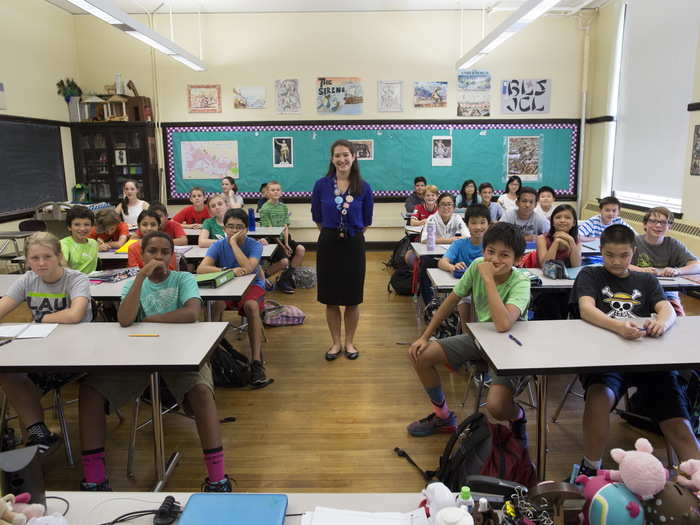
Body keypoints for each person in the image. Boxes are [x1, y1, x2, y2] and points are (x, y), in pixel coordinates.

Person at [79, 231, 233, 492]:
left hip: (183, 354)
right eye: (152, 252)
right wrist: (140, 277)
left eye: (164, 252)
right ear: (142, 254)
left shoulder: (183, 278)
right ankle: (94, 478)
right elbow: (125, 319)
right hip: (139, 356)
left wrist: (148, 320)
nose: (159, 257)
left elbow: (192, 313)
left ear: (172, 256)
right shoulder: (133, 283)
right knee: (90, 390)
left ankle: (218, 478)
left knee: (202, 392)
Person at [570, 224, 700, 477]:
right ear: (601, 251)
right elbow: (586, 309)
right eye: (609, 255)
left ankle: (696, 478)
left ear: (634, 252)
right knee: (599, 398)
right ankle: (590, 468)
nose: (617, 262)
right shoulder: (590, 275)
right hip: (605, 359)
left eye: (624, 255)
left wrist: (661, 323)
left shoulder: (646, 279)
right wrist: (618, 327)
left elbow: (667, 309)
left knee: (678, 419)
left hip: (649, 361)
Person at [406, 223, 531, 444]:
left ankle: (519, 417)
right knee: (420, 355)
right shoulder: (477, 265)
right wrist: (425, 336)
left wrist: (488, 280)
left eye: (504, 255)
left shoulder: (521, 281)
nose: (494, 260)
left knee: (496, 407)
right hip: (480, 339)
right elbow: (451, 301)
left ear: (518, 260)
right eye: (490, 252)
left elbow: (502, 325)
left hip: (510, 348)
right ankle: (443, 416)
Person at [0, 232, 91, 456]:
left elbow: (75, 315)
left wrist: (40, 319)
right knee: (6, 372)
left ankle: (34, 437)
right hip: (39, 351)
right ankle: (39, 433)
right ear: (27, 259)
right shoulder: (27, 279)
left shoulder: (76, 279)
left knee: (21, 380)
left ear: (59, 256)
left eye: (47, 257)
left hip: (75, 354)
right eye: (34, 258)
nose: (41, 263)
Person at [311, 139, 373, 361]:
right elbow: (317, 216)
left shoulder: (364, 187)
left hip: (354, 244)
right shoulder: (321, 185)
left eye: (346, 155)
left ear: (353, 157)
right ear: (332, 158)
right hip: (328, 243)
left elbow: (366, 220)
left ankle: (350, 342)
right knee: (331, 297)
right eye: (337, 155)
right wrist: (333, 230)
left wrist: (349, 232)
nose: (342, 159)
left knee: (352, 298)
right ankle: (336, 342)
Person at [197, 209, 271, 388]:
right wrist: (226, 271)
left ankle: (256, 362)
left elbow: (247, 268)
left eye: (239, 227)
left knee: (252, 306)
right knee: (216, 304)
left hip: (252, 285)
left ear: (246, 229)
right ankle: (215, 354)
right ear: (224, 226)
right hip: (227, 284)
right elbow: (201, 269)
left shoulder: (254, 245)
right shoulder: (218, 245)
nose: (234, 230)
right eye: (230, 226)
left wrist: (234, 244)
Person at [629, 206, 700, 316]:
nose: (658, 225)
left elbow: (696, 265)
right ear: (645, 224)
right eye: (653, 221)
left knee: (678, 318)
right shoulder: (633, 242)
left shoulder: (673, 244)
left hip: (666, 293)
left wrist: (678, 271)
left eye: (663, 222)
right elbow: (619, 264)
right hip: (637, 290)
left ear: (669, 226)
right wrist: (640, 270)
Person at [438, 204, 490, 325]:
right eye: (473, 223)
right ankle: (466, 335)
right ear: (467, 225)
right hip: (465, 290)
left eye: (482, 222)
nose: (478, 227)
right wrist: (452, 267)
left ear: (489, 224)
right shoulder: (459, 244)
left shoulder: (493, 245)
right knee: (464, 302)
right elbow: (442, 262)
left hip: (488, 289)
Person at [259, 181, 305, 294]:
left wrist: (287, 243)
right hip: (272, 239)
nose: (275, 192)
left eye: (278, 190)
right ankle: (260, 278)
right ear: (268, 193)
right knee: (284, 261)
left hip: (284, 238)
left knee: (301, 250)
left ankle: (284, 279)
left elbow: (285, 226)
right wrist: (283, 247)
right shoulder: (264, 209)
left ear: (281, 192)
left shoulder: (283, 207)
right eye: (272, 190)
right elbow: (271, 232)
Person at [60, 205, 98, 274]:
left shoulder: (94, 243)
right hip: (73, 282)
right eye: (77, 224)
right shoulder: (63, 244)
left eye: (86, 224)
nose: (82, 228)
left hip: (92, 282)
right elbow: (63, 267)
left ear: (92, 227)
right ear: (69, 227)